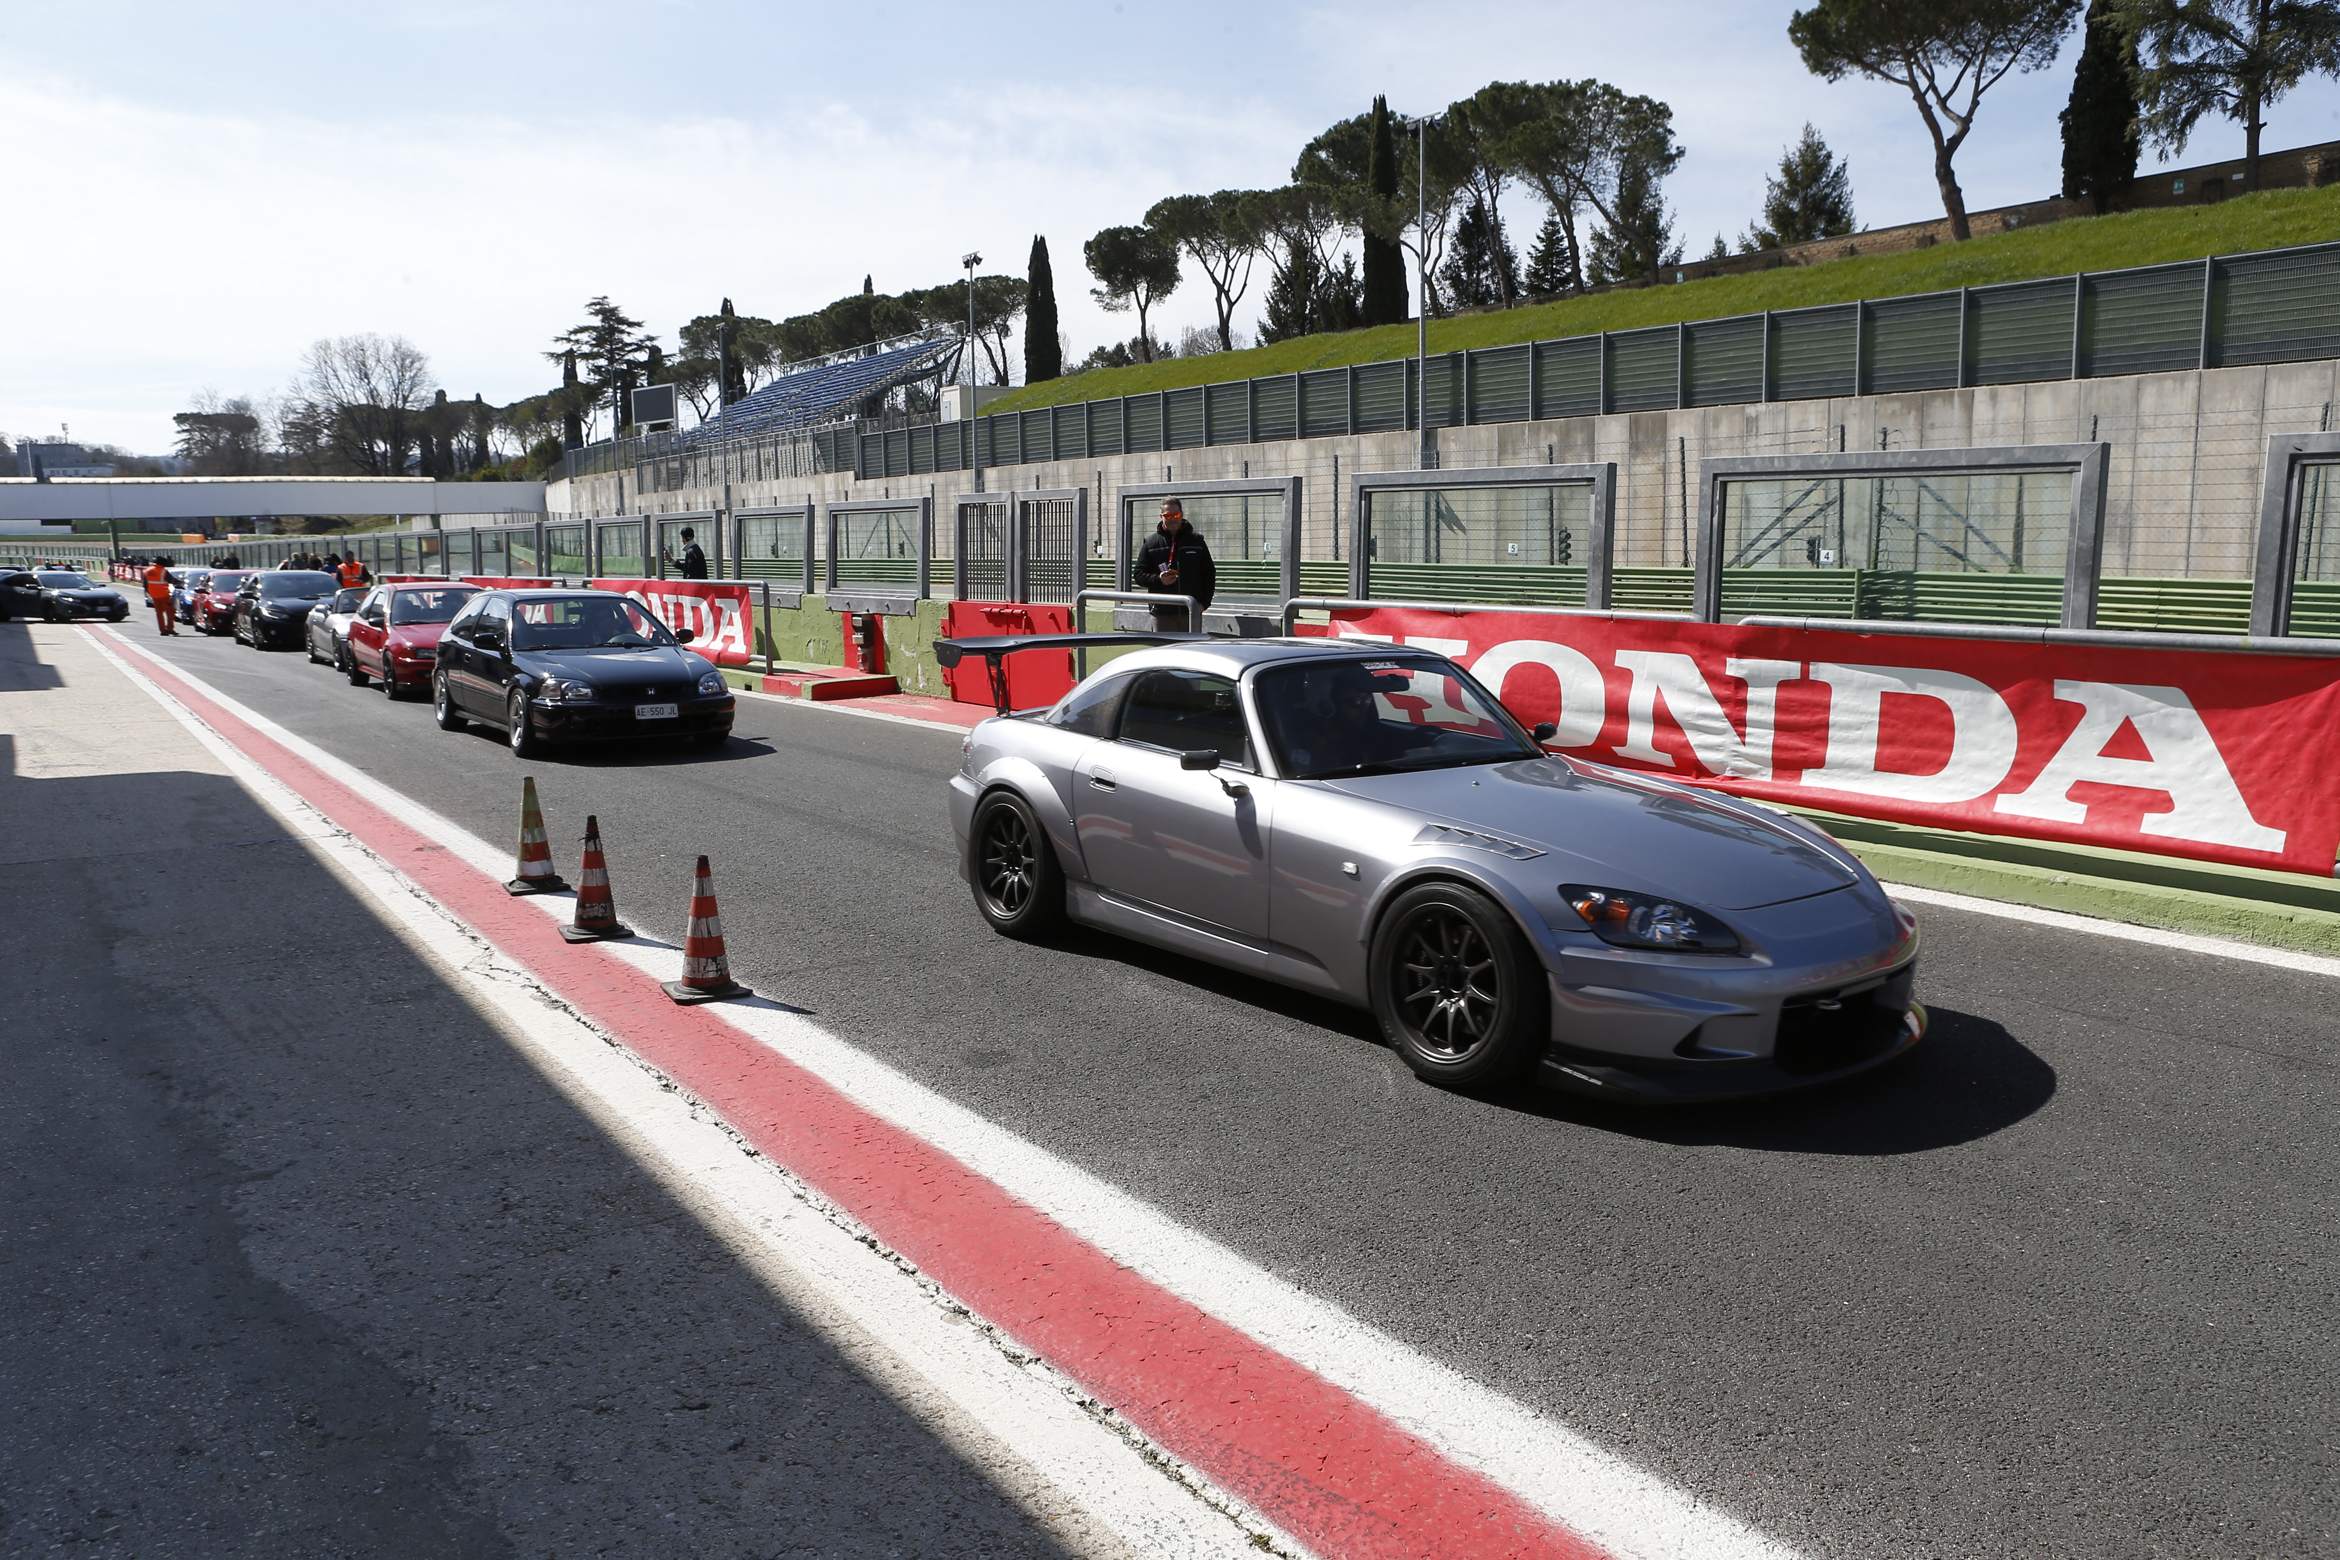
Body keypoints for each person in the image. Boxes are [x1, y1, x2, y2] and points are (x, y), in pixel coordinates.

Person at [1133, 498, 1215, 632]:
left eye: (1176, 515)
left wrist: (1204, 604)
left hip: (1190, 612)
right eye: (1167, 516)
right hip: (1162, 614)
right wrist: (1159, 579)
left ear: (1181, 515)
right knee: (1163, 646)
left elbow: (1209, 573)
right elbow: (1138, 575)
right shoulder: (1151, 543)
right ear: (1161, 516)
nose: (1172, 519)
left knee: (1191, 646)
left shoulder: (1197, 541)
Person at [142, 555, 178, 636]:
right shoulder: (163, 571)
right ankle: (170, 629)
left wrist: (149, 593)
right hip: (164, 594)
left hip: (154, 595)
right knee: (170, 612)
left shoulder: (147, 571)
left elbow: (145, 585)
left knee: (159, 613)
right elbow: (172, 580)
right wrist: (180, 582)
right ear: (162, 563)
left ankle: (163, 630)